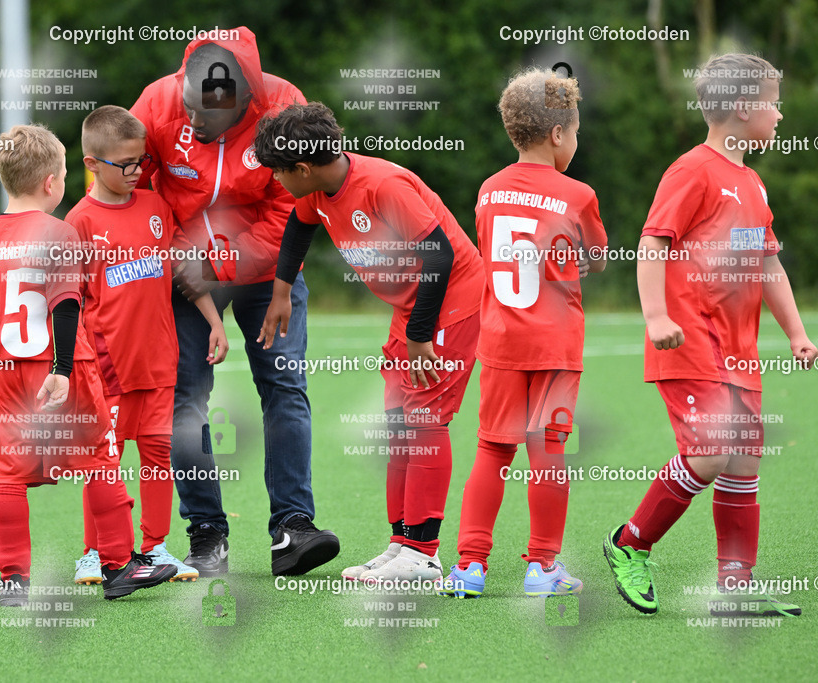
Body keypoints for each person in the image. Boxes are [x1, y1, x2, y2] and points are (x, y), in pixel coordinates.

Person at [603, 53, 816, 617]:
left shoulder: (753, 183)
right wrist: (656, 316)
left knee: (742, 462)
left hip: (739, 351)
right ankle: (630, 543)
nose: (780, 114)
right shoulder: (693, 170)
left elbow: (767, 264)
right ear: (742, 107)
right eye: (773, 103)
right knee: (712, 452)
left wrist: (796, 332)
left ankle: (735, 585)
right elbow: (653, 243)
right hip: (690, 340)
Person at [131, 27, 338, 576]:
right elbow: (129, 192)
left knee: (284, 384)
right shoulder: (156, 103)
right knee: (185, 396)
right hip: (182, 267)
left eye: (207, 115)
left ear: (247, 101)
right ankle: (206, 534)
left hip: (265, 272)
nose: (193, 121)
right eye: (189, 107)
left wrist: (218, 265)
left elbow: (293, 209)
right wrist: (183, 260)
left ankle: (292, 527)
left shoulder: (283, 106)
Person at [256, 102, 485, 583]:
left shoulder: (382, 185)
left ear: (302, 168)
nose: (275, 179)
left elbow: (439, 254)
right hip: (412, 311)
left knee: (423, 422)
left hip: (451, 303)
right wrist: (280, 292)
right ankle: (402, 544)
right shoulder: (319, 189)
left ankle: (422, 554)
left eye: (278, 171)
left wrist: (420, 335)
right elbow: (298, 226)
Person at [0, 123, 177, 605]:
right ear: (51, 182)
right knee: (99, 459)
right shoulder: (59, 232)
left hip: (2, 368)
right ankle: (118, 566)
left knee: (6, 476)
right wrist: (62, 368)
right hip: (58, 364)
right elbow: (67, 304)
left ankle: (14, 581)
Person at [438, 67, 606, 599]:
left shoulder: (489, 190)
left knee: (491, 450)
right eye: (575, 132)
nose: (575, 141)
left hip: (500, 342)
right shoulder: (578, 194)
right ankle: (542, 567)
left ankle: (469, 567)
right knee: (548, 451)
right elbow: (597, 258)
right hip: (554, 345)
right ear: (558, 133)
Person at [64, 106, 229, 585]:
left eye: (142, 161)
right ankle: (95, 553)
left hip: (159, 361)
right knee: (105, 462)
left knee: (158, 458)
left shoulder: (156, 207)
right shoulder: (79, 222)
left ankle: (155, 548)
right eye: (125, 164)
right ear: (92, 163)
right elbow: (69, 302)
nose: (137, 171)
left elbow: (184, 271)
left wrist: (214, 321)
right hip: (107, 368)